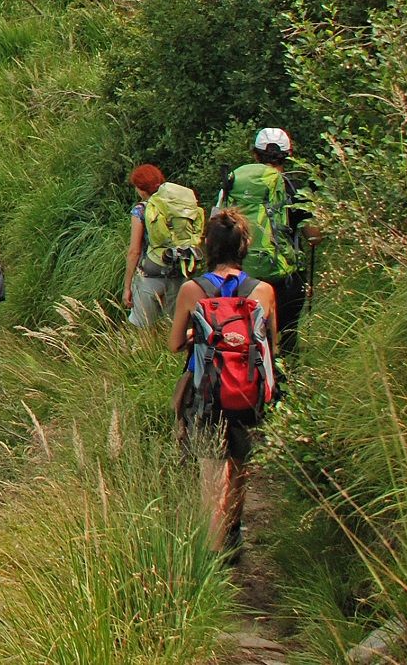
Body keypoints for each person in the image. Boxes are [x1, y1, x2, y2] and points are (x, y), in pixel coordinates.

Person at [169, 208, 279, 556]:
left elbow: (173, 345)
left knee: (210, 473)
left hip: (206, 393)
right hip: (248, 391)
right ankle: (233, 537)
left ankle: (210, 555)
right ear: (244, 245)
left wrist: (197, 335)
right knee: (240, 467)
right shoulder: (264, 291)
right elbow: (271, 347)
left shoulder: (192, 289)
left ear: (207, 246)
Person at [216, 127, 313, 356]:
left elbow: (216, 225)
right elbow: (313, 235)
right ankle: (285, 383)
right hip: (285, 274)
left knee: (245, 333)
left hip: (241, 274)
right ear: (288, 154)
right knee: (288, 332)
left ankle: (248, 383)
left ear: (255, 154)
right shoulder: (296, 188)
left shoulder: (234, 185)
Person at [124, 163, 206, 330]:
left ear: (141, 189)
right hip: (179, 271)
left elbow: (134, 251)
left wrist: (127, 287)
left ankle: (148, 356)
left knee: (144, 331)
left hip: (151, 272)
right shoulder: (179, 206)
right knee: (175, 327)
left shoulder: (140, 210)